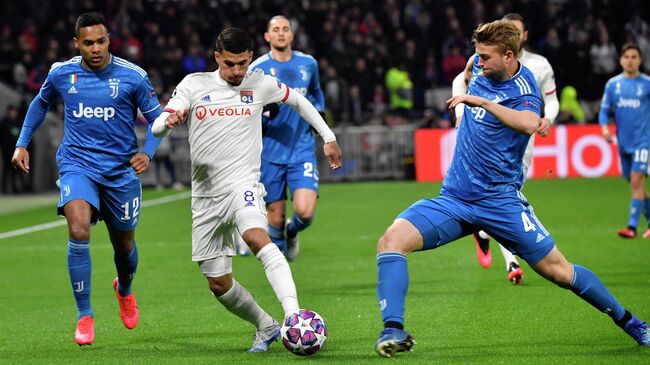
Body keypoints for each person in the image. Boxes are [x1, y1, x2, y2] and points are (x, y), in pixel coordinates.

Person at [374, 20, 649, 358]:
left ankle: (630, 321)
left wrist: (481, 102)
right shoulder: (478, 66)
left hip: (499, 201)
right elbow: (465, 72)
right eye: (477, 55)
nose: (479, 62)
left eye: (486, 57)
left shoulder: (525, 89)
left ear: (508, 56)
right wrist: (465, 97)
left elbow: (530, 124)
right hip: (455, 198)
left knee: (560, 272)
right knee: (390, 241)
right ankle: (394, 329)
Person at [151, 28, 342, 352]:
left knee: (257, 236)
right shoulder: (194, 84)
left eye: (241, 63)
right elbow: (158, 123)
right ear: (217, 58)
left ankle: (293, 316)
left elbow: (298, 101)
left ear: (250, 58)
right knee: (218, 283)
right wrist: (168, 121)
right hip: (206, 198)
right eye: (229, 64)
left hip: (244, 185)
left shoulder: (260, 83)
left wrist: (328, 136)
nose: (236, 71)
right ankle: (265, 326)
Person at [11, 13, 163, 346]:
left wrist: (148, 152)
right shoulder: (62, 73)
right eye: (88, 42)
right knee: (78, 230)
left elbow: (158, 120)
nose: (95, 48)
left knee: (123, 247)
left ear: (109, 40)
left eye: (101, 41)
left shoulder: (132, 76)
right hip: (77, 165)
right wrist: (22, 143)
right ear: (77, 43)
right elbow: (40, 103)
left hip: (120, 171)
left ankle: (124, 289)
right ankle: (85, 314)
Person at [452, 13, 560, 284]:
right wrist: (460, 113)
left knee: (507, 196)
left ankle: (484, 233)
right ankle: (511, 262)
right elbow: (460, 80)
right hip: (489, 142)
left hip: (523, 142)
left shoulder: (539, 66)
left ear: (523, 36)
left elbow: (552, 101)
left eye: (516, 29)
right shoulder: (485, 59)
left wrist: (548, 119)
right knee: (505, 194)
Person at [245, 15, 325, 261]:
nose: (281, 33)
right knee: (274, 220)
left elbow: (316, 94)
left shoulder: (308, 64)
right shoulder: (256, 69)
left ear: (291, 35)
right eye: (275, 30)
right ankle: (283, 281)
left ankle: (294, 231)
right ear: (267, 37)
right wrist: (263, 112)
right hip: (270, 152)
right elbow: (246, 108)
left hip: (301, 148)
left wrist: (319, 116)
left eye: (285, 29)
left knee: (306, 212)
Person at [599, 43, 650, 239]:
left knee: (636, 182)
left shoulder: (647, 84)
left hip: (642, 142)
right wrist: (604, 129)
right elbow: (604, 111)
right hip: (623, 143)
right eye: (627, 56)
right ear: (620, 60)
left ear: (640, 60)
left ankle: (632, 227)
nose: (630, 60)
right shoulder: (613, 85)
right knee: (636, 186)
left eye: (634, 57)